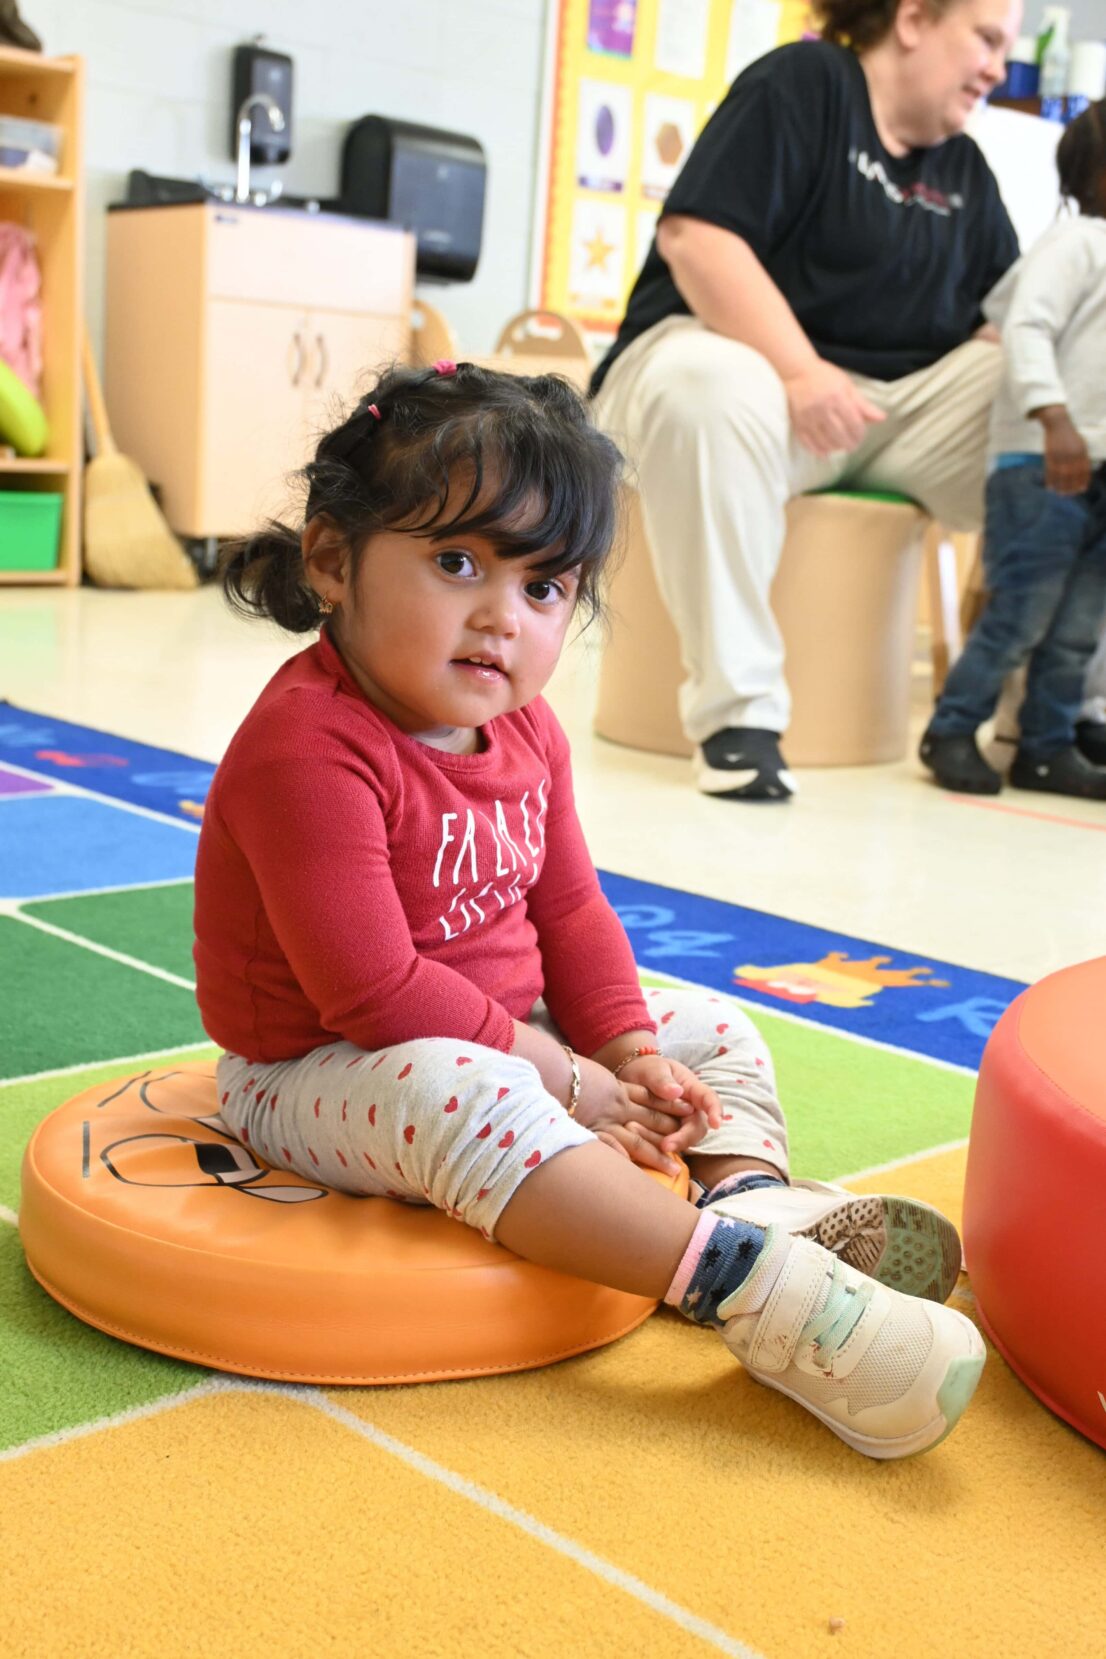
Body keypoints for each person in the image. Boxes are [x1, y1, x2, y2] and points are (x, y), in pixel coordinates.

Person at [194, 361, 984, 1459]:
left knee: (710, 1026)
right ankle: (748, 1288)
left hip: (514, 1044)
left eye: (543, 588)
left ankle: (749, 1201)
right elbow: (369, 991)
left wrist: (623, 1048)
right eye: (456, 561)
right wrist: (564, 1076)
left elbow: (568, 907)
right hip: (319, 1069)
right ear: (332, 560)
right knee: (455, 1082)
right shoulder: (307, 746)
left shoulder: (526, 732)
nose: (497, 619)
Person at [591, 0, 1021, 802]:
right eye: (987, 39)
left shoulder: (965, 171)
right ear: (915, 18)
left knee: (1059, 397)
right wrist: (798, 369)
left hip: (892, 413)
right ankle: (737, 718)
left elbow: (1006, 324)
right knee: (712, 384)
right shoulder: (806, 82)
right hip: (738, 377)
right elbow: (698, 238)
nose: (999, 67)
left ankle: (1052, 716)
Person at [921, 99, 1106, 798]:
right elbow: (1021, 323)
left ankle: (1046, 746)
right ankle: (951, 726)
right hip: (1042, 463)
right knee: (1021, 614)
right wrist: (1053, 419)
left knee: (1079, 626)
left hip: (1097, 471)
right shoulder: (1076, 241)